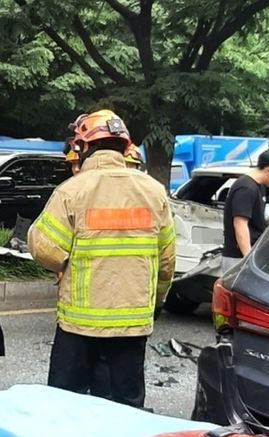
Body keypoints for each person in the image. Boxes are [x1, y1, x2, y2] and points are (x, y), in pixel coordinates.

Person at [28, 110, 175, 408]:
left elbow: (45, 249)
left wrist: (63, 266)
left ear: (82, 147)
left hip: (79, 326)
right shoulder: (154, 192)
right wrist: (156, 303)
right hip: (132, 324)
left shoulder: (72, 190)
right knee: (124, 408)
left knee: (66, 407)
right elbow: (166, 261)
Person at [222, 148, 269, 272]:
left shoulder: (259, 186)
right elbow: (240, 224)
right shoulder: (246, 188)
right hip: (238, 258)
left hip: (250, 254)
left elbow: (260, 219)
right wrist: (248, 258)